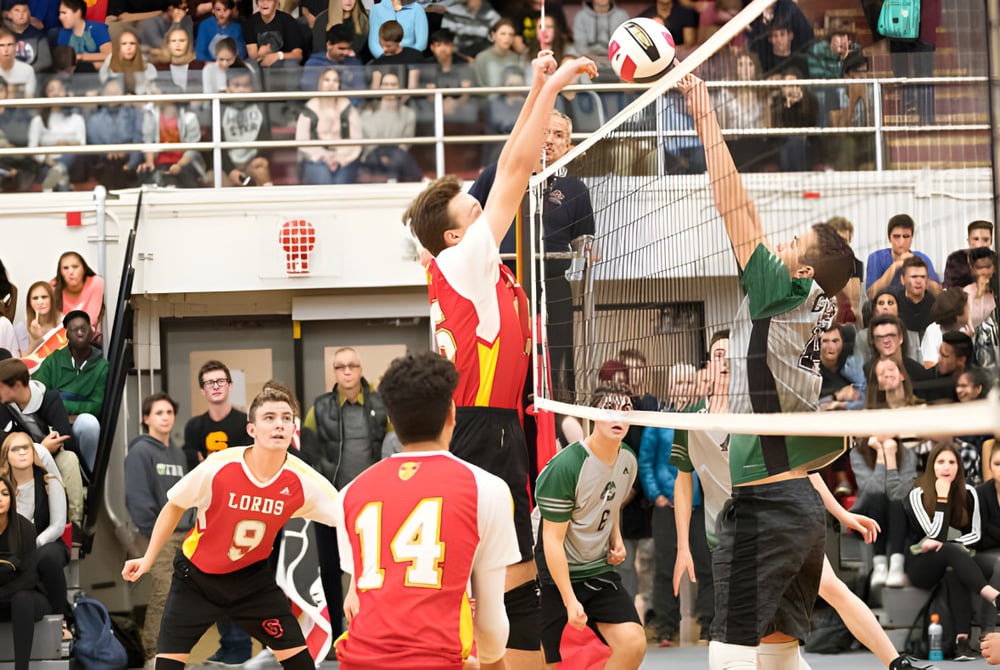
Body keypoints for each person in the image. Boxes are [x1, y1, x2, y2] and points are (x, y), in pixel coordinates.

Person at [403, 51, 597, 665]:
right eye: (471, 209)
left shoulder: (467, 263)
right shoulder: (464, 260)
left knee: (506, 564)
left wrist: (536, 87)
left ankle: (491, 657)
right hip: (484, 425)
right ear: (455, 235)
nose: (483, 208)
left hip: (488, 422)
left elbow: (514, 158)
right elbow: (515, 168)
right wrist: (556, 86)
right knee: (510, 567)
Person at [682, 71, 862, 667]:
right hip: (800, 507)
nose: (776, 245)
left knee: (730, 646)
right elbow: (761, 227)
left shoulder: (779, 291)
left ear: (804, 272)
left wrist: (704, 115)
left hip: (767, 500)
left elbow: (734, 204)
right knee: (780, 652)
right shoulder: (814, 301)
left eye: (789, 244)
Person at [121, 385, 340, 670]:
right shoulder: (219, 466)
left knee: (301, 664)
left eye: (287, 418)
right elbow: (174, 504)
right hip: (196, 580)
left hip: (253, 584)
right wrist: (148, 558)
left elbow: (348, 518)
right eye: (270, 418)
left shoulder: (304, 480)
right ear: (252, 430)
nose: (279, 425)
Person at [334, 351, 518, 669]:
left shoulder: (350, 492)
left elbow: (358, 602)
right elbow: (490, 622)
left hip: (358, 661)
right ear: (451, 413)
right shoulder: (487, 488)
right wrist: (488, 661)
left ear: (392, 417)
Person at [534, 386, 645, 667]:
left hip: (596, 569)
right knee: (551, 663)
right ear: (593, 414)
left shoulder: (628, 460)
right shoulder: (567, 467)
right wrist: (569, 600)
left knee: (633, 642)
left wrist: (615, 538)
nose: (618, 417)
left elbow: (610, 501)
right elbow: (551, 540)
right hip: (557, 572)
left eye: (625, 409)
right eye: (609, 409)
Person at [299, 346, 390, 637]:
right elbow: (307, 456)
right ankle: (336, 633)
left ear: (361, 369)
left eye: (352, 365)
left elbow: (392, 450)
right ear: (334, 371)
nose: (347, 371)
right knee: (330, 569)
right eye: (340, 366)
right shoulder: (319, 407)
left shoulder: (381, 405)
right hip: (331, 504)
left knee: (376, 569)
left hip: (375, 505)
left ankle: (374, 631)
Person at [181, 359, 252, 665]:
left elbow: (251, 466)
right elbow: (193, 472)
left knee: (240, 581)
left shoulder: (244, 423)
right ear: (202, 389)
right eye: (210, 382)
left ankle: (239, 648)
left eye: (220, 381)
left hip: (244, 513)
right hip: (210, 514)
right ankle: (231, 645)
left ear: (230, 385)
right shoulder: (194, 427)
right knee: (215, 580)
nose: (216, 386)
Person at [903, 440, 1000, 662]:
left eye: (952, 462)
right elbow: (933, 534)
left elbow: (975, 535)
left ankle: (962, 643)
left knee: (954, 567)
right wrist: (942, 498)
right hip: (922, 562)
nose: (946, 467)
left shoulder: (969, 493)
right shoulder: (916, 494)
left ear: (959, 467)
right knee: (949, 552)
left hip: (954, 558)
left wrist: (949, 545)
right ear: (931, 466)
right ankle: (994, 597)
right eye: (940, 462)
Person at [124, 392, 193, 669]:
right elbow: (138, 498)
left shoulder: (177, 452)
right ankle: (153, 653)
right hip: (158, 535)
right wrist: (155, 532)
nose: (165, 417)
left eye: (169, 412)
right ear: (146, 418)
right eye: (159, 413)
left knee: (184, 596)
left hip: (186, 533)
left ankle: (174, 652)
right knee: (163, 591)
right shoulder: (140, 451)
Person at [855, 356, 921, 589]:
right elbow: (871, 489)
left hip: (899, 508)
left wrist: (890, 455)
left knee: (895, 498)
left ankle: (893, 562)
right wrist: (882, 456)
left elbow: (900, 490)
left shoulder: (905, 448)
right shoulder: (860, 450)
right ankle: (881, 563)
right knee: (877, 496)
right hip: (868, 510)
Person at [0, 432, 70, 636]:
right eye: (16, 449)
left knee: (47, 557)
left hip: (46, 542)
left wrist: (34, 544)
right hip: (13, 544)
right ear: (7, 456)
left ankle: (61, 621)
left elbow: (58, 525)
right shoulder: (3, 487)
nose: (22, 453)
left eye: (26, 448)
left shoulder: (50, 480)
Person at [0, 357, 84, 524]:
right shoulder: (4, 407)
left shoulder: (49, 399)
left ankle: (75, 523)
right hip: (19, 460)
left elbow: (65, 439)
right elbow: (3, 442)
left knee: (69, 459)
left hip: (52, 458)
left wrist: (44, 450)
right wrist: (40, 448)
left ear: (16, 385)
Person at [32, 310, 107, 475]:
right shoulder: (54, 360)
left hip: (81, 423)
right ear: (67, 334)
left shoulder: (102, 366)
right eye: (74, 329)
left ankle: (91, 476)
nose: (80, 333)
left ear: (91, 332)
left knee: (89, 423)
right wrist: (63, 412)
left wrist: (60, 402)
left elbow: (96, 406)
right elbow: (39, 393)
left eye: (84, 328)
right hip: (52, 423)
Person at [0, 474, 49, 670]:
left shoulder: (25, 528)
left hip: (26, 599)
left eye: (4, 493)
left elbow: (29, 578)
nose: (0, 498)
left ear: (12, 497)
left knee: (22, 599)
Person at [295, 66, 361, 185]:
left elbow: (356, 141)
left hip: (344, 159)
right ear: (320, 84)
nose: (331, 84)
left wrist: (339, 158)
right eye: (327, 80)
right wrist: (324, 156)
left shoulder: (348, 108)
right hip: (316, 160)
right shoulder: (309, 109)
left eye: (335, 81)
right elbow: (302, 142)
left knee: (340, 183)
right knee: (323, 179)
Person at [359, 70, 423, 182]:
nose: (390, 88)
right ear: (380, 87)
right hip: (374, 155)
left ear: (398, 87)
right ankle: (417, 179)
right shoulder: (368, 112)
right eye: (386, 84)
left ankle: (392, 179)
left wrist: (391, 158)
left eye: (393, 84)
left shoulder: (408, 113)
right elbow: (369, 145)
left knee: (398, 156)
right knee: (393, 158)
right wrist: (383, 157)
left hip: (398, 154)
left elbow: (405, 143)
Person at [216, 64, 272, 187]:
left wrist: (260, 158)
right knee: (219, 179)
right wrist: (231, 170)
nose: (241, 90)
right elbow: (215, 144)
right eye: (236, 85)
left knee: (261, 167)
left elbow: (266, 138)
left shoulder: (260, 107)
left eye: (246, 85)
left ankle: (270, 203)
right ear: (228, 87)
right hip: (228, 166)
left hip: (251, 162)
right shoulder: (219, 107)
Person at [85, 77, 146, 190]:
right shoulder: (95, 117)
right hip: (104, 162)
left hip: (128, 158)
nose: (112, 96)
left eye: (116, 92)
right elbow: (92, 140)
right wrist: (107, 152)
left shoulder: (133, 113)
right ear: (102, 94)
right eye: (109, 93)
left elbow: (138, 138)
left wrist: (131, 163)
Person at [866, 213, 942, 300]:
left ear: (912, 238)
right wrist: (895, 266)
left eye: (906, 237)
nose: (901, 242)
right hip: (887, 310)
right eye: (896, 236)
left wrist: (917, 269)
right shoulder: (876, 258)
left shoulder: (922, 258)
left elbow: (938, 294)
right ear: (889, 238)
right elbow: (872, 295)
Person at [28, 76, 85, 192]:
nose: (56, 93)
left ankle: (58, 171)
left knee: (63, 167)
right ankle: (60, 178)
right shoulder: (38, 121)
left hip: (74, 164)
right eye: (51, 90)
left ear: (65, 92)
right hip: (49, 163)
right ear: (45, 94)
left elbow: (83, 145)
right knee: (59, 181)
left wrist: (66, 144)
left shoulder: (77, 119)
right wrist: (46, 158)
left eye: (59, 89)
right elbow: (32, 149)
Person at [51, 250, 104, 342]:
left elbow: (91, 320)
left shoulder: (96, 282)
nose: (70, 272)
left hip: (88, 338)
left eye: (75, 267)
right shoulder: (53, 286)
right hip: (61, 339)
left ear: (84, 269)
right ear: (60, 272)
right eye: (65, 268)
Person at [920, 287, 972, 367]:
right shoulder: (933, 331)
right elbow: (929, 364)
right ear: (958, 317)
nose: (969, 310)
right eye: (967, 307)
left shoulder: (966, 331)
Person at [243, 0, 305, 68]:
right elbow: (252, 56)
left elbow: (298, 55)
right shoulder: (250, 23)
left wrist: (278, 55)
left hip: (284, 64)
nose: (265, 3)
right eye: (261, 0)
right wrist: (260, 54)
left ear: (275, 2)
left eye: (269, 0)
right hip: (261, 64)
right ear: (257, 3)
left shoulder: (288, 21)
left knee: (291, 64)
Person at [98, 28, 157, 93]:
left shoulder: (145, 62)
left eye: (132, 43)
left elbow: (152, 89)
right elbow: (102, 82)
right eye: (124, 43)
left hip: (140, 101)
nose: (128, 47)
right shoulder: (110, 60)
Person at [22, 281, 65, 368]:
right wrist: (36, 340)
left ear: (52, 299)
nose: (40, 302)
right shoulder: (22, 327)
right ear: (29, 303)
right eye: (35, 298)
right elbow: (23, 364)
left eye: (44, 297)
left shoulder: (64, 322)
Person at [894, 256, 937, 343]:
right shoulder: (894, 302)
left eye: (922, 277)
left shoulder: (936, 305)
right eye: (914, 277)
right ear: (903, 280)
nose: (918, 281)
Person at [55, 0, 110, 65]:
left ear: (78, 12)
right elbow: (63, 61)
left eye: (64, 13)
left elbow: (108, 55)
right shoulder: (63, 33)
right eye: (59, 13)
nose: (60, 17)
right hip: (73, 73)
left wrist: (80, 57)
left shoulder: (98, 28)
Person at [472, 18, 523, 88]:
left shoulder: (517, 58)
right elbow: (480, 84)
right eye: (503, 34)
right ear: (493, 35)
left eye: (511, 35)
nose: (507, 37)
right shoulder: (482, 58)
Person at [943, 220, 993, 289]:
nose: (980, 244)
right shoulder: (955, 260)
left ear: (991, 241)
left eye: (985, 240)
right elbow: (950, 292)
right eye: (975, 239)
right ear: (968, 240)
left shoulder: (997, 261)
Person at [4, 0, 52, 73]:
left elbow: (46, 61)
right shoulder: (3, 35)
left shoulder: (39, 35)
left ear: (29, 13)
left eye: (24, 11)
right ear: (9, 14)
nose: (21, 14)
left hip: (33, 78)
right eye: (17, 11)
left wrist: (26, 72)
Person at [965, 247, 997, 330]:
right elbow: (972, 324)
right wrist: (979, 294)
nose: (984, 271)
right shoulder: (966, 293)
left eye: (987, 266)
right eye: (979, 267)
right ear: (972, 269)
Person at [0, 27, 34, 96]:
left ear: (15, 47)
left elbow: (29, 99)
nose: (6, 49)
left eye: (9, 45)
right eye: (1, 45)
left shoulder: (27, 70)